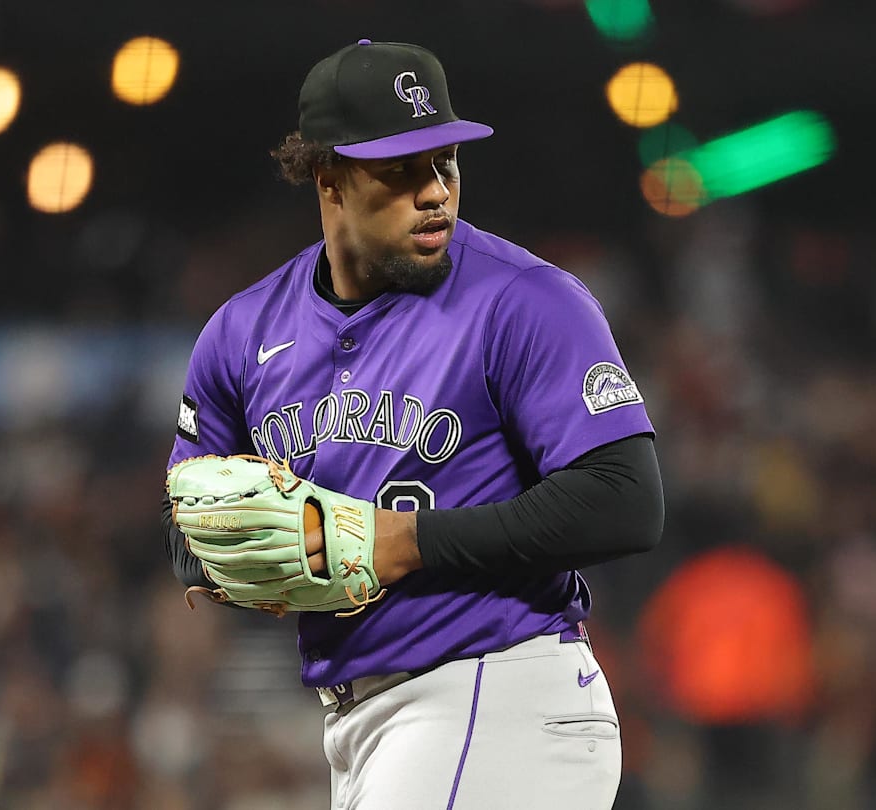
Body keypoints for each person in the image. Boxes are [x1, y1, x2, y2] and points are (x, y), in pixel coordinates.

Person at [161, 38, 663, 809]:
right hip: (360, 725)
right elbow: (188, 525)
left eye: (446, 163)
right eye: (401, 170)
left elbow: (625, 499)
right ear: (327, 177)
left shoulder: (525, 300)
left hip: (496, 692)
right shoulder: (242, 332)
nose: (434, 192)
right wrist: (253, 554)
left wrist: (404, 543)